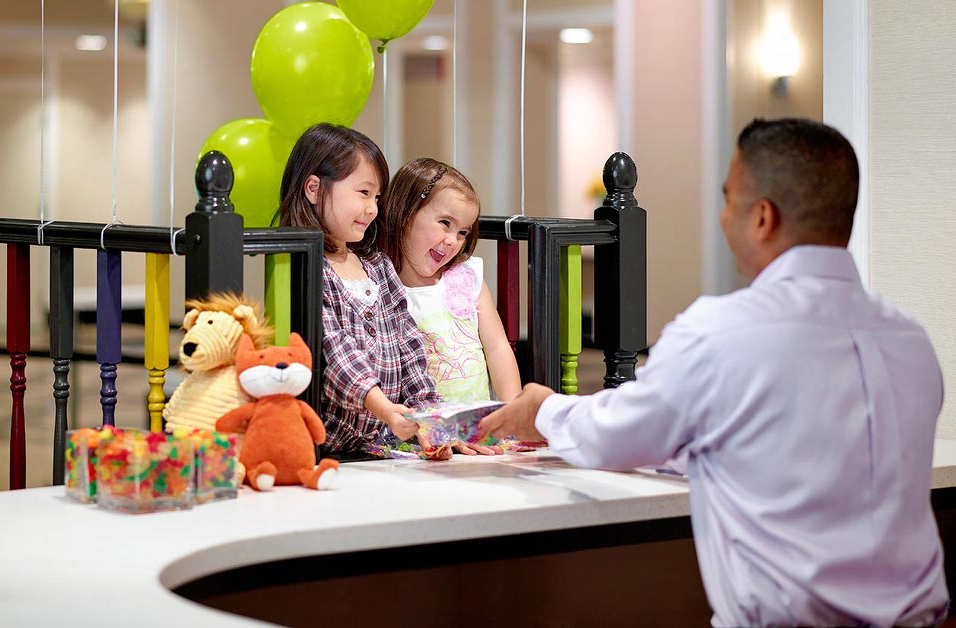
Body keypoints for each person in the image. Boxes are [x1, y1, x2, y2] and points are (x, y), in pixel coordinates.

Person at [481, 118, 948, 627]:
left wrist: (543, 409)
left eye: (729, 200)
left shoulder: (720, 332)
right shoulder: (910, 340)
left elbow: (617, 434)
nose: (723, 218)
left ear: (763, 218)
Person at [276, 123, 444, 456]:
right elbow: (334, 352)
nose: (373, 208)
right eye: (364, 193)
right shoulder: (308, 268)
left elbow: (409, 346)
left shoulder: (378, 266)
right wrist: (382, 406)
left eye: (377, 197)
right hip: (332, 448)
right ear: (313, 188)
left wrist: (432, 420)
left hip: (387, 442)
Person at [383, 158, 522, 409]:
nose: (452, 241)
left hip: (479, 427)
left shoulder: (467, 277)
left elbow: (498, 349)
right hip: (423, 432)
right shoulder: (382, 286)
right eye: (445, 223)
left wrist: (513, 410)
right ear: (405, 213)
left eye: (462, 233)